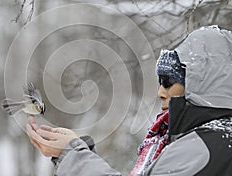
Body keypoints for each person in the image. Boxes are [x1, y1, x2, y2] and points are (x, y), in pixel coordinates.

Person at [26, 25, 232, 175]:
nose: (161, 91)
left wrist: (71, 154)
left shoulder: (204, 146)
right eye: (160, 81)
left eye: (169, 81)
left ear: (203, 84)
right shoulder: (215, 141)